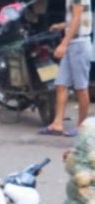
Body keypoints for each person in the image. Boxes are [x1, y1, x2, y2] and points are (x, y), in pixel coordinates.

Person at [41, 0, 92, 137]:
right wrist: (61, 26)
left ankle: (82, 126)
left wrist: (63, 44)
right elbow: (75, 19)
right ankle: (57, 124)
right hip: (73, 42)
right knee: (61, 84)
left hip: (79, 44)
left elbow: (77, 18)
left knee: (81, 87)